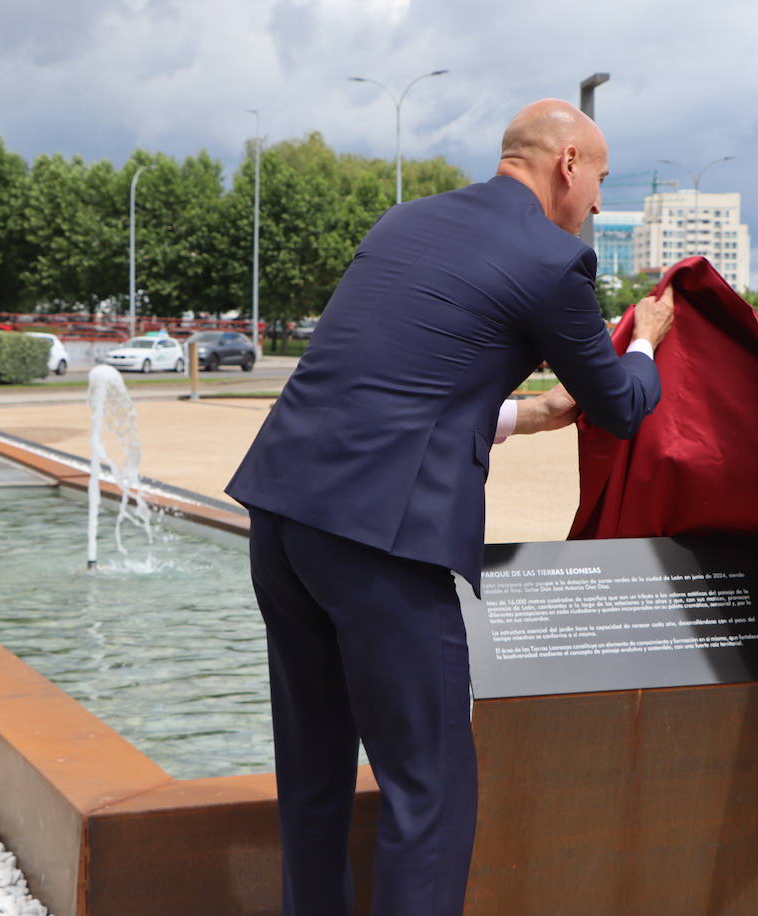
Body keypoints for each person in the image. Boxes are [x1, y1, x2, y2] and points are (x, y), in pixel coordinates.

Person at [226, 98, 674, 916]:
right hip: (379, 542)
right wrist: (646, 340)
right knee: (427, 791)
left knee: (314, 772)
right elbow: (618, 405)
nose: (601, 202)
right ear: (567, 163)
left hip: (281, 512)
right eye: (602, 179)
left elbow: (388, 380)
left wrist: (521, 413)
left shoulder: (405, 222)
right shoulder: (554, 259)